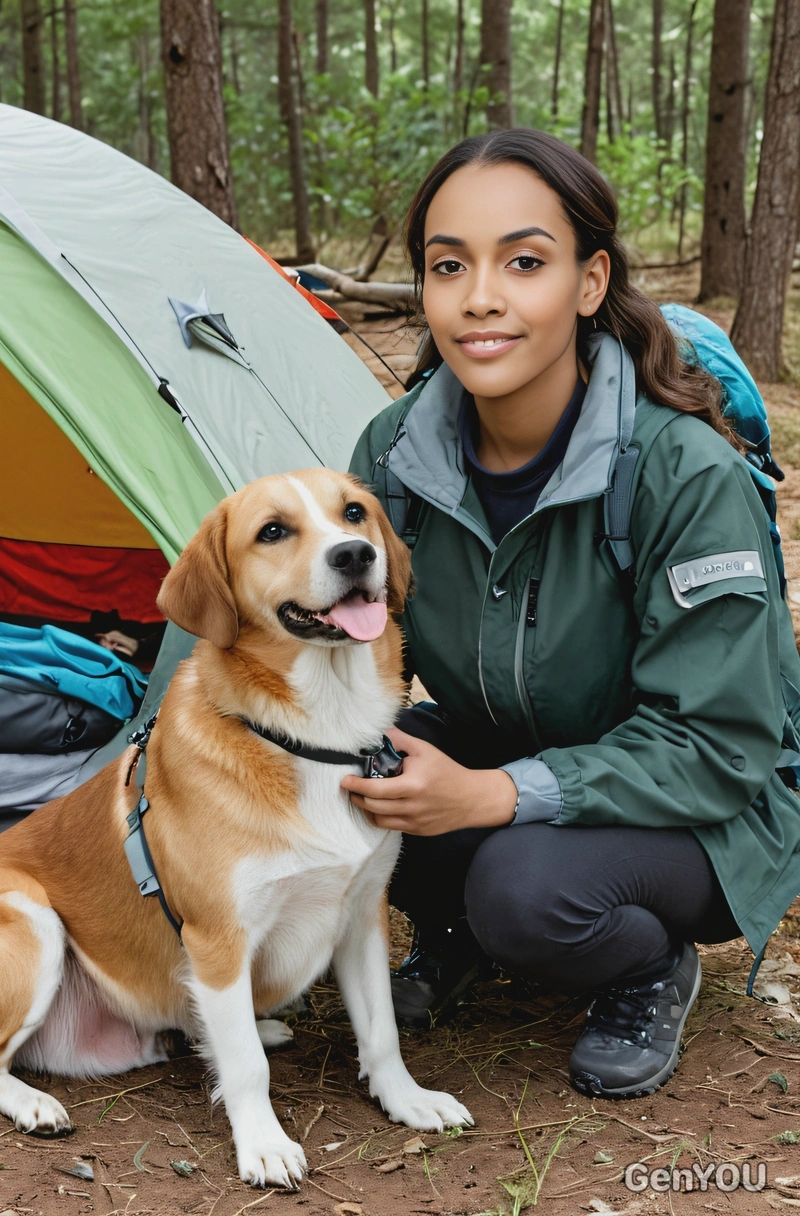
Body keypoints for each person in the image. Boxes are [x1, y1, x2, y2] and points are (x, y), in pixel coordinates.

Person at [343, 128, 800, 1101]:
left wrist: (492, 796)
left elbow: (719, 746)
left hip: (703, 804)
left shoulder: (681, 470)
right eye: (448, 266)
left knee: (524, 888)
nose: (479, 298)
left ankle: (646, 967)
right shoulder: (395, 453)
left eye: (524, 262)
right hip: (511, 739)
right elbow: (356, 649)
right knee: (346, 773)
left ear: (590, 282)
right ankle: (459, 934)